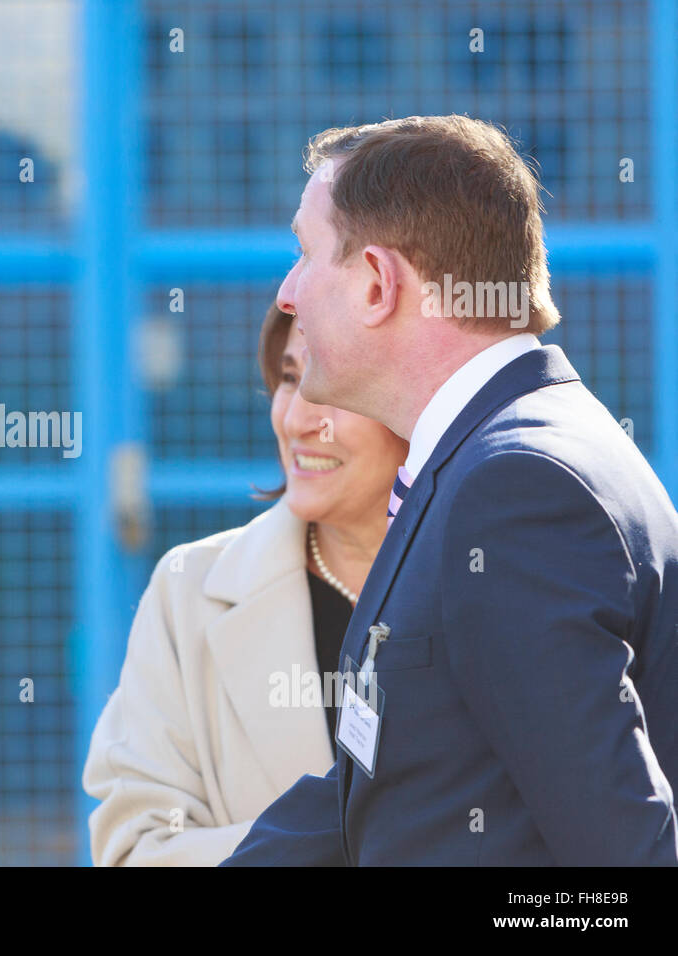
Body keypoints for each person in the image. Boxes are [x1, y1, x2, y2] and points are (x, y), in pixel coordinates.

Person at [221, 114, 678, 866]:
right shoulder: (491, 453)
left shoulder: (514, 487)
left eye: (304, 253)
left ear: (377, 282)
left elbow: (622, 860)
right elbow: (395, 782)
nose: (289, 291)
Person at [82, 303, 408, 865]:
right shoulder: (188, 593)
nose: (298, 418)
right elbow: (135, 848)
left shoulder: (490, 584)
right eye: (289, 378)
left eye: (334, 385)